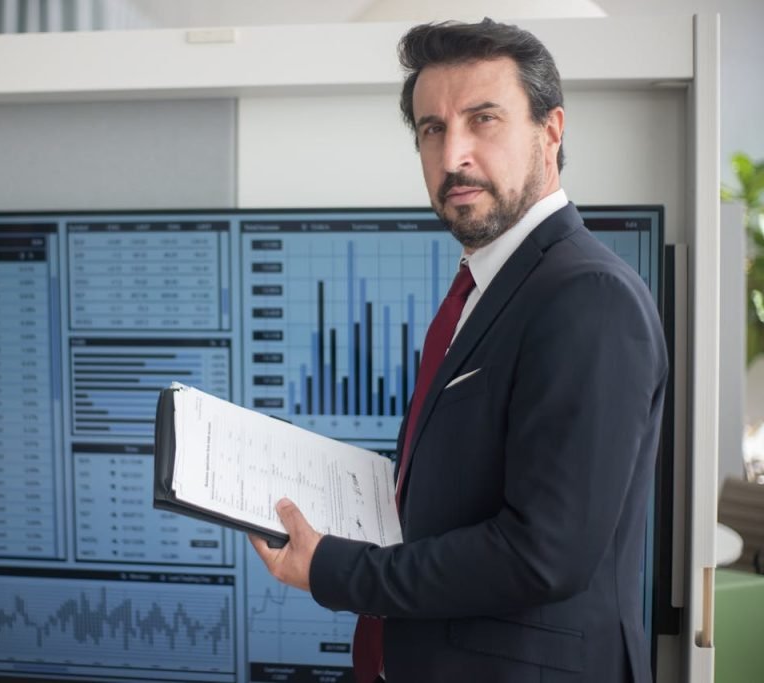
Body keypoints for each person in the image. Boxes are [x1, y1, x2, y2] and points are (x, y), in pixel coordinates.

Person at [250, 18, 668, 683]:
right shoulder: (488, 286)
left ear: (551, 131)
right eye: (432, 130)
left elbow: (542, 555)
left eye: (484, 120)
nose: (453, 157)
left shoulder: (587, 294)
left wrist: (334, 565)